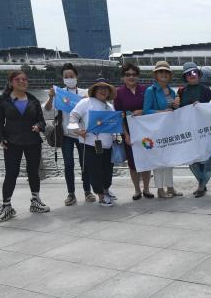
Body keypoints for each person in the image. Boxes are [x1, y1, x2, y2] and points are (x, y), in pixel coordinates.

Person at [0, 70, 48, 223]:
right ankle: (6, 206)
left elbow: (42, 121)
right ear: (11, 82)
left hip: (33, 141)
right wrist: (0, 138)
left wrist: (38, 126)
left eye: (25, 79)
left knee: (33, 172)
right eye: (18, 80)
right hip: (12, 142)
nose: (23, 82)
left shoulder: (33, 100)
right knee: (11, 173)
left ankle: (35, 201)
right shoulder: (2, 100)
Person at [45, 62, 93, 205]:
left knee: (85, 164)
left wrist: (88, 100)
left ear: (76, 76)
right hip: (66, 135)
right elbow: (47, 109)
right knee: (68, 165)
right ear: (63, 78)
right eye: (66, 76)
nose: (69, 78)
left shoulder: (85, 93)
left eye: (71, 76)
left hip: (82, 134)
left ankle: (87, 191)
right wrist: (51, 97)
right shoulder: (59, 93)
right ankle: (71, 194)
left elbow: (93, 109)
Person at [70, 80, 117, 207]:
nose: (103, 91)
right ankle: (101, 196)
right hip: (91, 144)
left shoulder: (110, 106)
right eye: (100, 88)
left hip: (108, 145)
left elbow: (113, 125)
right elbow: (73, 117)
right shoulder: (85, 102)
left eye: (106, 89)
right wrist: (78, 131)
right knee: (95, 171)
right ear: (94, 91)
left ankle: (106, 190)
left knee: (108, 170)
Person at [114, 61, 153, 200]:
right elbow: (119, 116)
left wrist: (142, 111)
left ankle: (147, 188)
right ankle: (137, 190)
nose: (131, 77)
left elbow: (151, 108)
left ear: (138, 76)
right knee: (132, 162)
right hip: (129, 132)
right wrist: (126, 135)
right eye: (128, 74)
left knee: (147, 160)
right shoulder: (118, 93)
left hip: (146, 131)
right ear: (123, 77)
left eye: (134, 74)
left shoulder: (146, 90)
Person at [143, 60, 182, 198]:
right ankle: (160, 189)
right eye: (161, 72)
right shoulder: (150, 91)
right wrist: (162, 113)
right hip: (156, 131)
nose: (164, 74)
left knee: (169, 159)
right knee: (159, 160)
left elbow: (173, 111)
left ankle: (170, 187)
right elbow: (146, 111)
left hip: (169, 130)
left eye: (166, 72)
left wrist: (177, 106)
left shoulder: (172, 91)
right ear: (156, 75)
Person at [179, 61, 211, 197]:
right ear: (185, 77)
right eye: (188, 74)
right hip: (189, 131)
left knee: (206, 159)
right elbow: (179, 112)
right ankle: (201, 182)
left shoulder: (206, 90)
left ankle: (201, 186)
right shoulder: (182, 91)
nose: (192, 75)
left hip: (204, 130)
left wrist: (202, 106)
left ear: (199, 74)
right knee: (193, 160)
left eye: (194, 72)